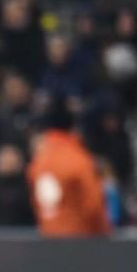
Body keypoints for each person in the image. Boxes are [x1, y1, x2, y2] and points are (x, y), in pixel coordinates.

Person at [27, 97, 110, 237]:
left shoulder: (38, 162)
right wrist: (104, 234)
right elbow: (93, 206)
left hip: (48, 238)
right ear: (74, 129)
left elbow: (37, 203)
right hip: (80, 240)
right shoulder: (79, 160)